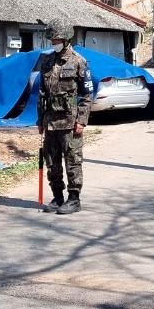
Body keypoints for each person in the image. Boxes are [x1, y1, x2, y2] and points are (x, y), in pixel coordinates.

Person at [36, 19, 94, 215]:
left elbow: (86, 95)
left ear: (67, 38)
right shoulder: (46, 61)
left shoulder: (78, 61)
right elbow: (42, 94)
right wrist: (40, 120)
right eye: (52, 39)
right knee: (52, 162)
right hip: (50, 121)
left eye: (57, 38)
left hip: (70, 123)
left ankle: (74, 199)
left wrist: (81, 121)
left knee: (72, 161)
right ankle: (58, 196)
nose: (54, 42)